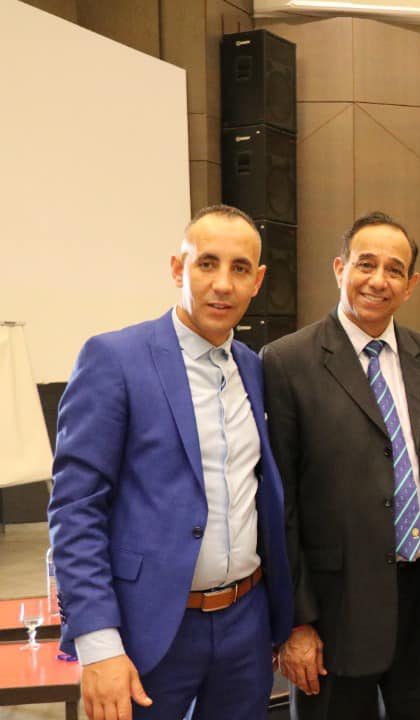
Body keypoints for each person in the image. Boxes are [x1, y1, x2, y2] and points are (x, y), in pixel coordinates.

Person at [47, 204, 294, 720]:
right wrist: (98, 643)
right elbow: (75, 511)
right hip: (148, 629)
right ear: (178, 269)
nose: (222, 284)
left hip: (245, 627)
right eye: (207, 263)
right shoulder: (115, 360)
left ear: (257, 282)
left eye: (239, 268)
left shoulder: (254, 368)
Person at [262, 212, 420, 720]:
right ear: (340, 268)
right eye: (366, 264)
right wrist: (296, 622)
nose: (379, 280)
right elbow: (279, 505)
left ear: (411, 284)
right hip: (335, 612)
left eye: (394, 270)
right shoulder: (287, 362)